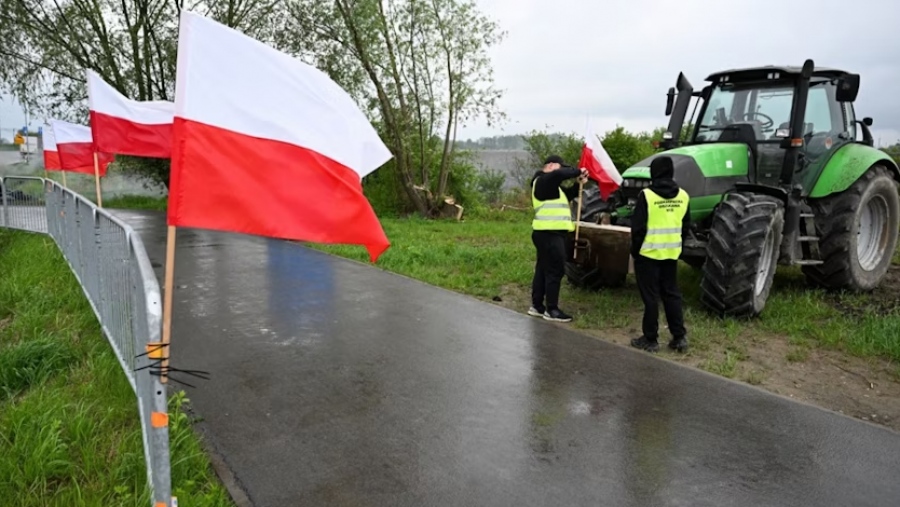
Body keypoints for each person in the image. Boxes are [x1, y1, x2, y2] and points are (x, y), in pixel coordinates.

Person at [629, 156, 690, 352]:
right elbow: (685, 227)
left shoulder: (646, 196)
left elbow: (637, 228)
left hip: (648, 254)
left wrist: (635, 251)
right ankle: (679, 337)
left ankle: (650, 339)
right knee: (672, 295)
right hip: (671, 253)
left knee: (651, 298)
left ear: (653, 172)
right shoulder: (683, 196)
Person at [528, 155, 589, 323]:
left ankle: (537, 306)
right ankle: (552, 309)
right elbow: (558, 175)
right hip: (550, 234)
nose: (563, 170)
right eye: (561, 167)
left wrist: (579, 183)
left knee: (542, 269)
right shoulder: (542, 180)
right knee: (555, 270)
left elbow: (568, 195)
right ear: (552, 165)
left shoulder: (551, 186)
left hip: (548, 233)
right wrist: (578, 170)